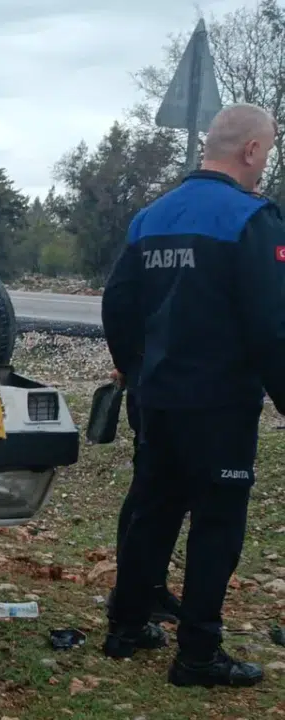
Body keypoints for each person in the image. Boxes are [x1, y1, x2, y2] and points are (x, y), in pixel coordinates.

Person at [101, 102, 285, 688]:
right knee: (217, 523)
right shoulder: (253, 219)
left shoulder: (151, 216)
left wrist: (132, 369)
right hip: (220, 405)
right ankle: (198, 656)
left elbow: (118, 304)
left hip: (157, 399)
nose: (266, 162)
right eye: (269, 149)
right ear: (251, 151)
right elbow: (271, 324)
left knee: (152, 509)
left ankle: (126, 627)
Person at [105, 367, 182, 626]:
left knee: (159, 491)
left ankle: (146, 588)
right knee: (153, 492)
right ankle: (136, 594)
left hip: (159, 379)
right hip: (157, 381)